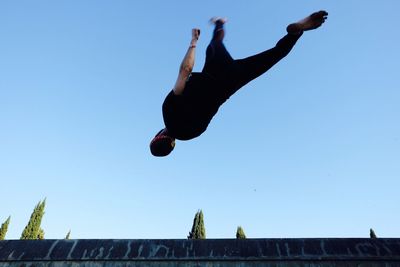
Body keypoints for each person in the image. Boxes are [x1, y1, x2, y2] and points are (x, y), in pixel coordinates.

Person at [150, 11, 328, 157]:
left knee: (275, 55)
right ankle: (220, 22)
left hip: (230, 83)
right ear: (158, 135)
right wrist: (194, 42)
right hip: (215, 67)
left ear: (172, 145)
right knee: (215, 44)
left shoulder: (192, 134)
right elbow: (185, 71)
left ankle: (296, 33)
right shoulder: (168, 111)